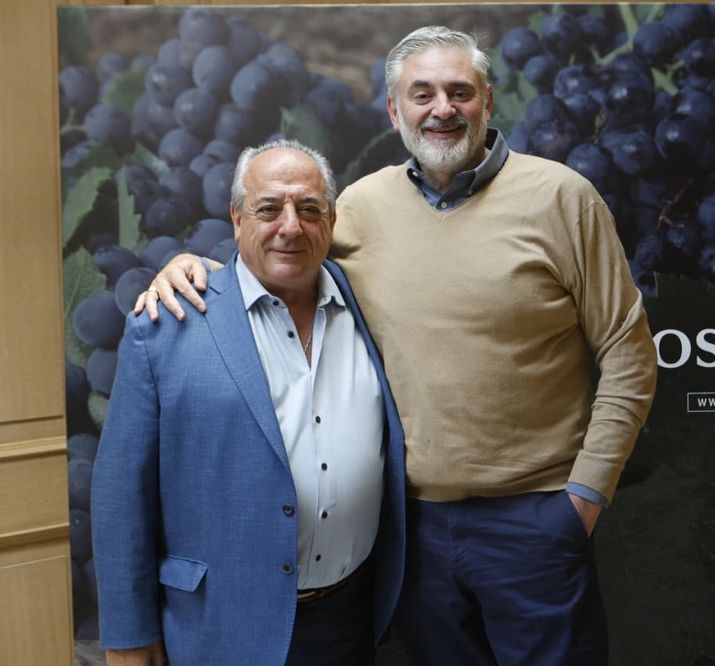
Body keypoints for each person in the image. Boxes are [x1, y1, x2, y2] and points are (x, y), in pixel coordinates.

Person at [139, 26, 657, 666]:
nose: (442, 108)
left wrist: (583, 497)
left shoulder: (562, 198)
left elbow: (629, 355)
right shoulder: (360, 205)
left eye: (459, 91)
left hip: (536, 522)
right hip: (411, 537)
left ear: (487, 102)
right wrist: (192, 268)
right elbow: (280, 251)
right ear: (395, 110)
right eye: (423, 93)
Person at [92, 140, 406, 666]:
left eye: (309, 208)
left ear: (330, 221)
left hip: (349, 621)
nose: (290, 226)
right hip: (221, 627)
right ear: (236, 218)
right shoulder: (168, 325)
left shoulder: (366, 303)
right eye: (268, 208)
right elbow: (122, 492)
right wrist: (127, 635)